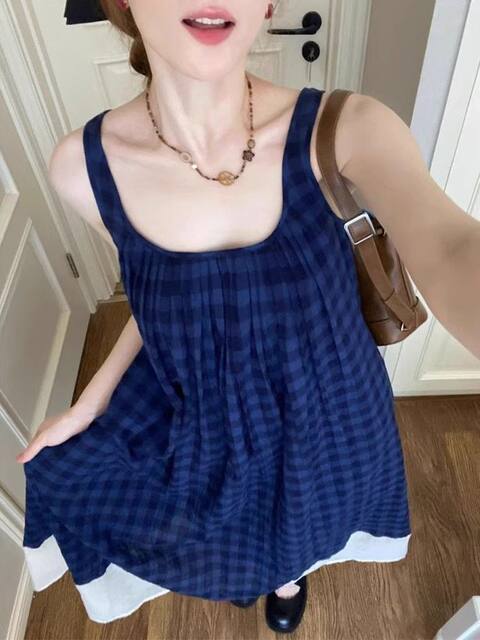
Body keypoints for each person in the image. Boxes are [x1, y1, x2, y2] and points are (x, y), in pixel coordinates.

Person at [18, 0, 480, 632]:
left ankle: (289, 576)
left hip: (329, 408)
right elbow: (158, 298)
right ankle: (265, 571)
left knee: (306, 518)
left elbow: (451, 246)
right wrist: (87, 405)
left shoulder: (346, 131)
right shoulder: (83, 169)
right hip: (211, 413)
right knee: (239, 523)